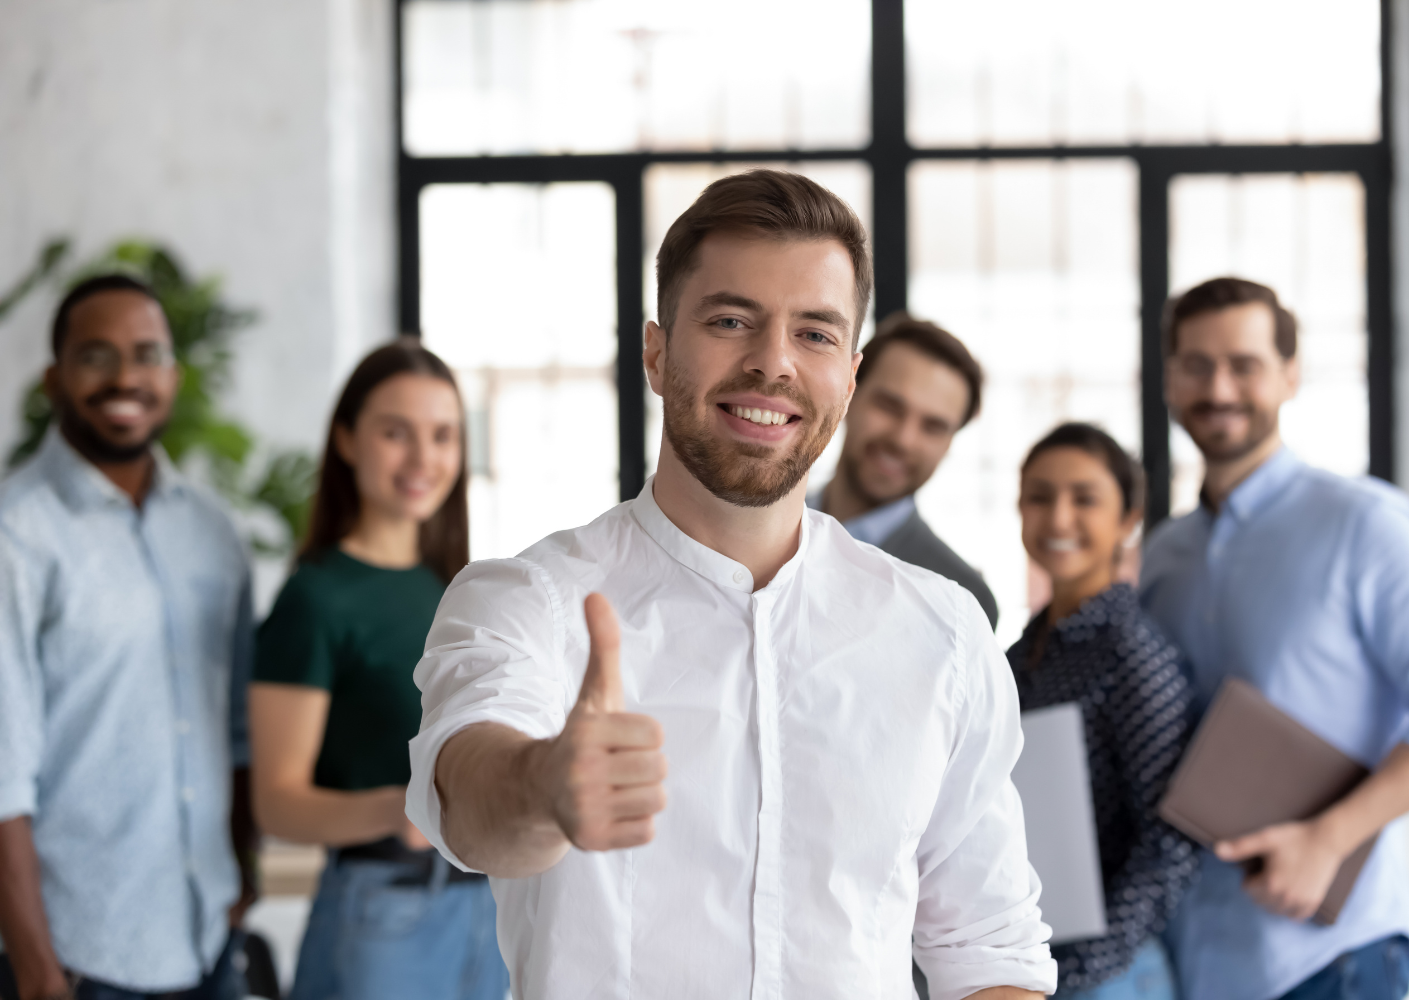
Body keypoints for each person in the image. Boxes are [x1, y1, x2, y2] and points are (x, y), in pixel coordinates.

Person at [405, 170, 1056, 999]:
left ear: (849, 377)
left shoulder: (943, 633)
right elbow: (468, 800)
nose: (772, 364)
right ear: (655, 351)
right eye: (730, 320)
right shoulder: (526, 600)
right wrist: (543, 785)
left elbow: (991, 948)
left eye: (814, 334)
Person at [1139, 277, 1409, 1000]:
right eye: (1197, 364)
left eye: (1244, 364)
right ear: (1170, 378)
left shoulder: (1364, 523)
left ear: (1289, 375)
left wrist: (1328, 839)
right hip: (1195, 959)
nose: (1219, 387)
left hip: (1330, 956)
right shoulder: (1162, 554)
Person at [0, 275, 256, 1000]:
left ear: (172, 376)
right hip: (81, 958)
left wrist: (243, 875)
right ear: (53, 377)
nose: (125, 378)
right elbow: (1, 780)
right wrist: (37, 972)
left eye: (146, 355)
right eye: (95, 356)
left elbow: (236, 730)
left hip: (209, 942)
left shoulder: (213, 533)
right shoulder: (15, 534)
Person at [250, 340, 507, 1000]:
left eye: (443, 435)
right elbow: (276, 802)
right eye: (396, 433)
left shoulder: (460, 588)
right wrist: (401, 808)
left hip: (489, 906)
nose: (424, 459)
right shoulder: (316, 598)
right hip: (386, 910)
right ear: (346, 439)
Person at [1009, 423, 1198, 999]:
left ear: (1127, 518)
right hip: (1029, 960)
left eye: (1084, 499)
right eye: (1039, 497)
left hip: (1107, 978)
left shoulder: (1133, 653)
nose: (1059, 518)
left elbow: (1171, 844)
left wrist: (1077, 974)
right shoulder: (1021, 654)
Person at [815, 312, 999, 628]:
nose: (903, 440)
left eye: (933, 427)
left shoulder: (961, 601)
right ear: (849, 393)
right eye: (889, 407)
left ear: (949, 444)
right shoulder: (757, 531)